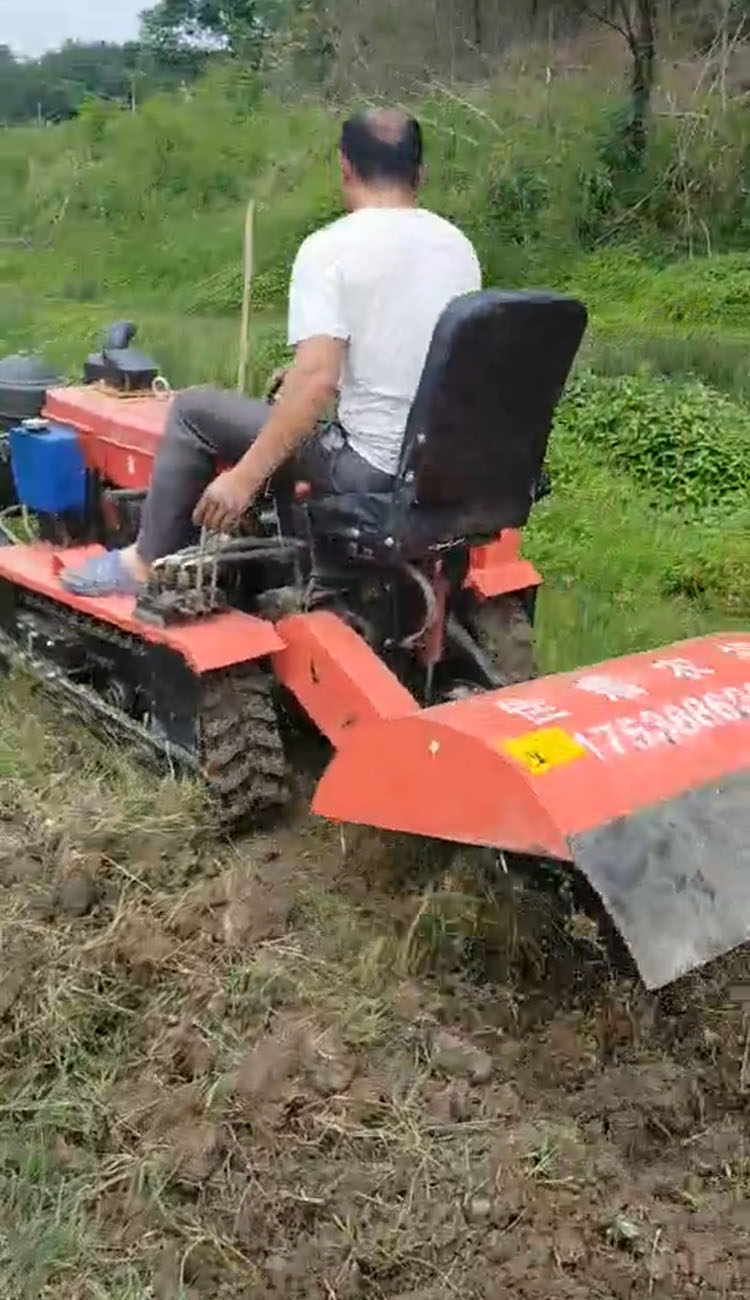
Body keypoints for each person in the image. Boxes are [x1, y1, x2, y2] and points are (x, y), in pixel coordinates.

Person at [63, 108, 482, 596]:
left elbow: (316, 382)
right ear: (421, 173)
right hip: (437, 463)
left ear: (344, 167)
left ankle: (143, 559)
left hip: (370, 467)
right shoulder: (457, 248)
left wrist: (242, 478)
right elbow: (414, 351)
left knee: (195, 410)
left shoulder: (331, 249)